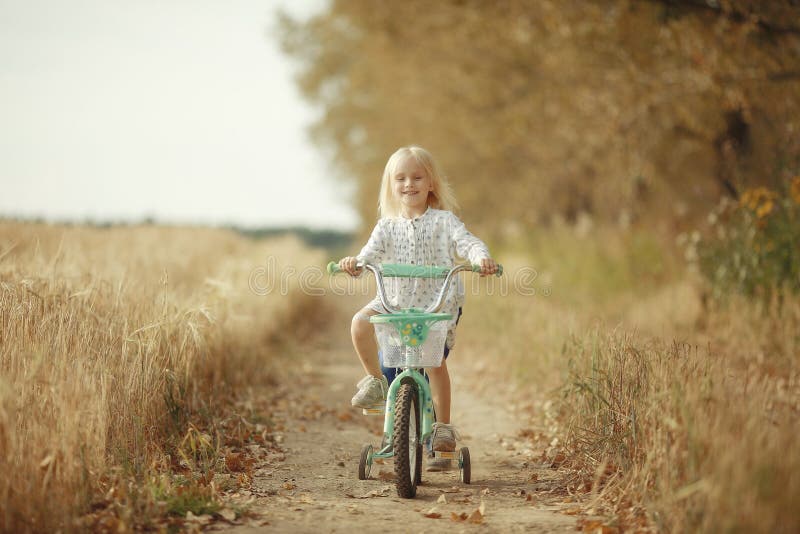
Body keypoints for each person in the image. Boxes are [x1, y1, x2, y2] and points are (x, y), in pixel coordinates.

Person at [338, 146, 498, 469]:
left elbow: (468, 243)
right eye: (401, 178)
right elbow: (367, 257)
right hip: (394, 301)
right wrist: (353, 264)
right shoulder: (386, 226)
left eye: (416, 177)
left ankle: (442, 428)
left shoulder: (444, 222)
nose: (409, 184)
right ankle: (376, 382)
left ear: (431, 184)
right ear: (391, 185)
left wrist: (481, 259)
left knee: (435, 362)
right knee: (359, 324)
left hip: (435, 304)